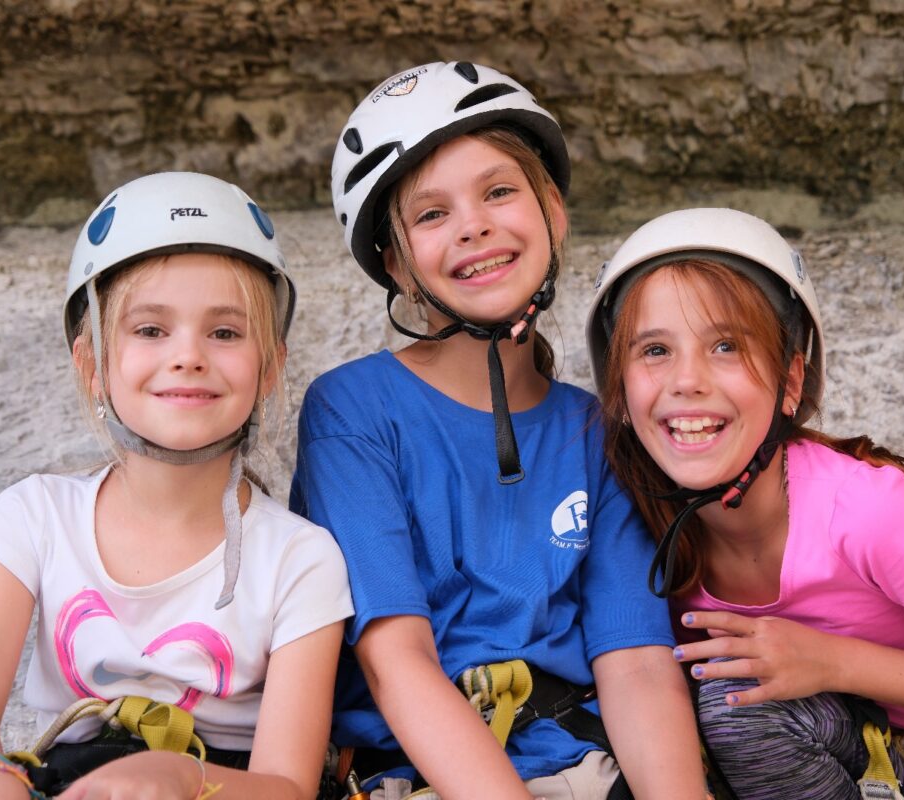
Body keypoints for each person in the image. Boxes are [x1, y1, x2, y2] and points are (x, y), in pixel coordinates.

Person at [290, 61, 706, 800]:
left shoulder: (599, 429)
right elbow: (397, 658)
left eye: (499, 191)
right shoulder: (352, 411)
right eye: (431, 214)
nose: (474, 225)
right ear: (396, 264)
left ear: (553, 209)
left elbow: (636, 661)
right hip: (425, 776)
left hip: (580, 764)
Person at [584, 207, 904, 799]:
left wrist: (835, 662)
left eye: (725, 345)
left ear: (791, 382)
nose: (687, 380)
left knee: (741, 701)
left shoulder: (870, 516)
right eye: (655, 351)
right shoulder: (635, 528)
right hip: (861, 770)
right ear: (618, 390)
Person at [0, 171, 354, 800]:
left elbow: (285, 785)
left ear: (270, 368)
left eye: (225, 332)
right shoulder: (34, 517)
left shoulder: (299, 560)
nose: (189, 355)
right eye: (151, 329)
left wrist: (181, 777)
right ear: (91, 364)